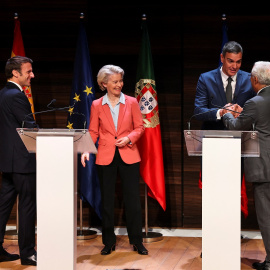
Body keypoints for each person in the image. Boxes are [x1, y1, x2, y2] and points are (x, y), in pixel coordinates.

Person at [81, 64, 148, 255]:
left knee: (133, 201)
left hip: (128, 153)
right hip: (105, 155)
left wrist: (129, 138)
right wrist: (87, 149)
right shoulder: (96, 105)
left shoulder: (132, 102)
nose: (119, 84)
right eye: (115, 81)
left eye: (120, 80)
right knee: (107, 201)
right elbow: (93, 131)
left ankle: (137, 241)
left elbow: (140, 127)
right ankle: (108, 242)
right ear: (104, 84)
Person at [222, 61, 270, 270]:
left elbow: (236, 127)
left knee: (267, 217)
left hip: (264, 169)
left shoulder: (256, 102)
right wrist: (243, 113)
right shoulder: (258, 103)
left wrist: (226, 113)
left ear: (255, 79)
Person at [0, 56, 37, 266]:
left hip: (8, 161)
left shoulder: (3, 93)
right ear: (16, 73)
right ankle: (28, 253)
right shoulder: (16, 95)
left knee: (4, 206)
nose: (32, 75)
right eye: (29, 71)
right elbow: (29, 127)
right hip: (22, 161)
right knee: (27, 206)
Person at [194, 40, 255, 129]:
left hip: (242, 137)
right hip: (214, 135)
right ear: (222, 58)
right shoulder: (206, 79)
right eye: (230, 61)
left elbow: (258, 110)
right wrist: (221, 112)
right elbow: (198, 111)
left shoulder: (250, 79)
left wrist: (243, 112)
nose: (234, 66)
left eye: (238, 62)